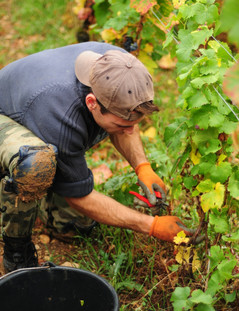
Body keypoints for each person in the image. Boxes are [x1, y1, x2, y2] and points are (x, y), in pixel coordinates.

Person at [0, 41, 199, 273]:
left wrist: (142, 167)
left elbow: (128, 125)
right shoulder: (61, 114)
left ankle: (49, 202)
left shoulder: (122, 70)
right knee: (33, 165)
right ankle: (17, 250)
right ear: (92, 103)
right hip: (6, 117)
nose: (129, 130)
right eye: (121, 124)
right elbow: (80, 198)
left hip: (36, 112)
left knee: (74, 226)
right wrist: (151, 226)